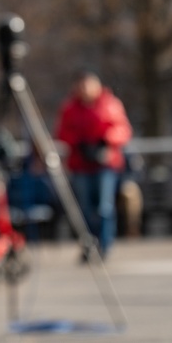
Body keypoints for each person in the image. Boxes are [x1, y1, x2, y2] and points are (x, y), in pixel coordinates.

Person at [55, 69, 133, 259]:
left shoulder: (110, 104)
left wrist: (105, 142)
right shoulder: (70, 107)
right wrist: (80, 144)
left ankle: (105, 245)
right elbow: (62, 131)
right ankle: (88, 245)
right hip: (81, 164)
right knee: (84, 208)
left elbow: (123, 130)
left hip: (105, 164)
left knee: (104, 207)